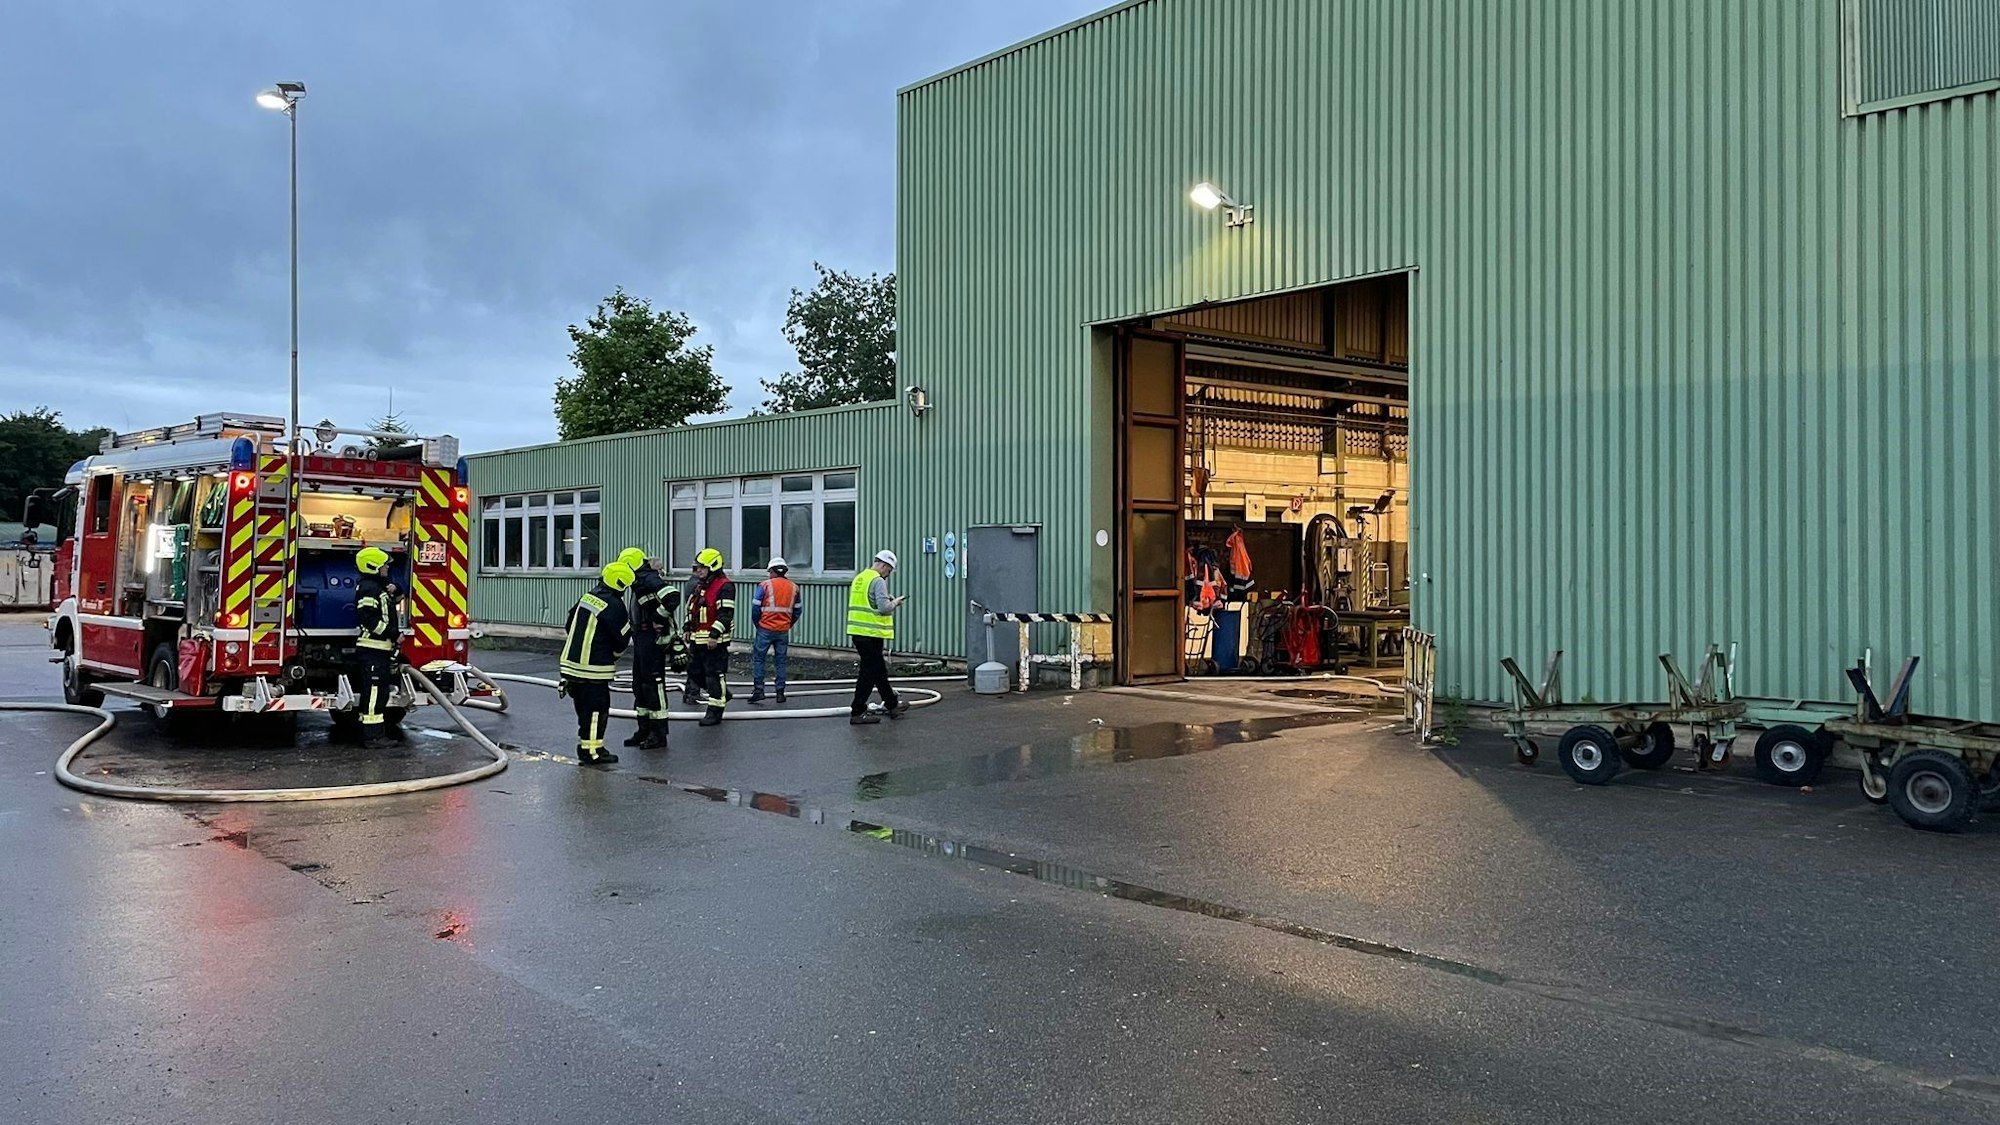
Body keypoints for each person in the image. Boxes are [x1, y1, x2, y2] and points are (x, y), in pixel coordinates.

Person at [562, 562, 634, 766]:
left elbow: (569, 625)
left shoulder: (587, 597)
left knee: (584, 709)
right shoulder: (614, 605)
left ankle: (589, 746)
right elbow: (622, 638)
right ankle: (592, 751)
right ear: (620, 583)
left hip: (572, 665)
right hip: (593, 668)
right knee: (596, 710)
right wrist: (612, 654)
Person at [621, 547, 678, 750]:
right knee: (640, 683)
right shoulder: (639, 581)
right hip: (641, 637)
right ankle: (644, 729)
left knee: (654, 685)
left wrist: (658, 617)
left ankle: (658, 733)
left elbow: (672, 596)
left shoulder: (648, 579)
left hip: (651, 639)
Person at [847, 549, 908, 725]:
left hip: (858, 632)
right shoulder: (878, 581)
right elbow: (883, 608)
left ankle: (892, 705)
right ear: (883, 565)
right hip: (871, 634)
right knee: (869, 673)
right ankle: (857, 711)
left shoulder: (860, 578)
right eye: (888, 571)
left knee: (878, 670)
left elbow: (869, 601)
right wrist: (895, 602)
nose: (887, 575)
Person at [351, 546, 402, 749]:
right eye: (383, 566)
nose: (386, 569)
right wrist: (392, 633)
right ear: (372, 567)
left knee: (378, 692)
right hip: (372, 649)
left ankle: (369, 733)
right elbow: (368, 617)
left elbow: (396, 600)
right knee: (374, 694)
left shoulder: (378, 587)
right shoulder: (369, 589)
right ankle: (373, 737)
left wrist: (397, 590)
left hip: (379, 649)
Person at [684, 547, 735, 727]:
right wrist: (687, 627)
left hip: (715, 642)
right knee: (694, 672)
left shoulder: (725, 586)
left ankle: (715, 711)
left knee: (714, 675)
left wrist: (714, 635)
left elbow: (726, 614)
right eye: (697, 568)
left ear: (713, 567)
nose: (698, 571)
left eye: (702, 568)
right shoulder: (700, 586)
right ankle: (723, 693)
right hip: (698, 639)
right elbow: (693, 609)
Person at [748, 556, 802, 704]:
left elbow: (755, 608)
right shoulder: (794, 587)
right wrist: (788, 624)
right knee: (781, 661)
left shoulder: (764, 585)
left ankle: (759, 690)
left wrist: (757, 624)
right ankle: (780, 692)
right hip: (783, 630)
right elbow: (797, 611)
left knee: (759, 659)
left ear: (771, 570)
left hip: (765, 628)